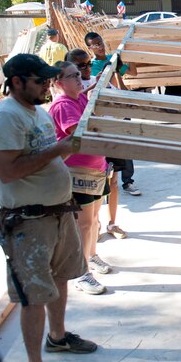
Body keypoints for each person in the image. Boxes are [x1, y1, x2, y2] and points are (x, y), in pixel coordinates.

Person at [0, 53, 97, 362]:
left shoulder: (37, 112)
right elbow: (9, 171)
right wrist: (60, 149)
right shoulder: (5, 116)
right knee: (32, 296)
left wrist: (68, 147)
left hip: (57, 213)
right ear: (17, 81)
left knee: (59, 278)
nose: (47, 85)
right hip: (28, 221)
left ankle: (58, 336)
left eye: (49, 79)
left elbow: (49, 155)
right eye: (40, 80)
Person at [49, 61, 113, 295]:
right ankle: (81, 272)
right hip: (79, 173)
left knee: (94, 219)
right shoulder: (64, 105)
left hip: (95, 168)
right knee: (84, 224)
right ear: (58, 83)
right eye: (72, 76)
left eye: (78, 74)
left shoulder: (79, 99)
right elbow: (76, 130)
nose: (79, 79)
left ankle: (91, 255)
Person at [68, 47, 130, 240]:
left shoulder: (97, 80)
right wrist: (92, 88)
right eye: (80, 67)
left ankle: (111, 223)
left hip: (109, 138)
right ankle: (92, 226)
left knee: (112, 183)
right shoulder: (67, 87)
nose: (86, 69)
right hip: (90, 148)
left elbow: (121, 97)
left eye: (88, 64)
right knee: (90, 192)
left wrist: (112, 75)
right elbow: (74, 105)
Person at [85, 32, 141, 197]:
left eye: (100, 42)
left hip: (120, 107)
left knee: (127, 145)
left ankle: (128, 181)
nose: (100, 46)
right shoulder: (90, 66)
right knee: (108, 147)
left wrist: (130, 55)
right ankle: (107, 183)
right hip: (104, 111)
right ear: (89, 48)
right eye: (95, 44)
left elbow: (132, 72)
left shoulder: (113, 58)